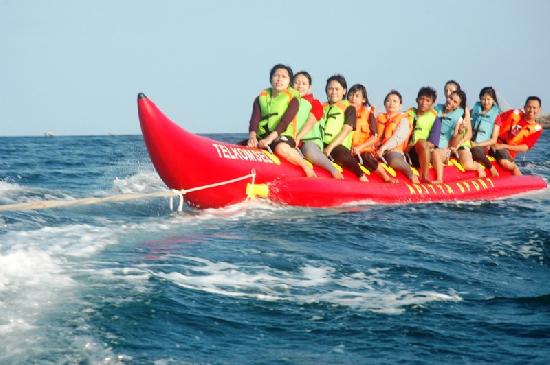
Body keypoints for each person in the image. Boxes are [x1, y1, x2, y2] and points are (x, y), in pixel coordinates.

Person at [246, 64, 316, 177]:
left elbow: (284, 122)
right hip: (262, 137)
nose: (279, 79)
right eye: (276, 75)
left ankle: (305, 166)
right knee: (242, 146)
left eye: (284, 77)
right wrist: (252, 137)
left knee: (280, 148)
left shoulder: (293, 99)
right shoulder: (260, 98)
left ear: (289, 82)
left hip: (283, 136)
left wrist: (269, 139)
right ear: (271, 79)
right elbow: (254, 120)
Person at [293, 71, 343, 179]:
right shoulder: (287, 102)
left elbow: (311, 122)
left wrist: (298, 137)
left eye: (304, 84)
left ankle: (332, 170)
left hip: (310, 142)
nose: (300, 86)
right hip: (292, 140)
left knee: (308, 148)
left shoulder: (316, 104)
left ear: (309, 87)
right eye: (297, 82)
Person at [321, 74, 368, 182]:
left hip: (338, 146)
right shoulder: (322, 106)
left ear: (344, 91)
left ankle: (360, 175)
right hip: (320, 142)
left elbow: (346, 130)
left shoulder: (349, 108)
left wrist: (330, 147)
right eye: (330, 89)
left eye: (337, 89)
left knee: (341, 155)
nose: (333, 92)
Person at [347, 84, 397, 183]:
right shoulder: (344, 112)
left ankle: (386, 177)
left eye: (357, 96)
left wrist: (359, 148)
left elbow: (374, 137)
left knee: (366, 158)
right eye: (351, 95)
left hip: (363, 149)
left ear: (364, 100)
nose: (353, 98)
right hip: (349, 148)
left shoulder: (369, 114)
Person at [492, 96, 543, 175]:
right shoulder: (513, 113)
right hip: (491, 142)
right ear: (524, 107)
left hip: (506, 152)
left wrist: (504, 146)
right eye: (529, 107)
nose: (531, 110)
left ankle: (516, 170)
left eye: (534, 108)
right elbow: (495, 120)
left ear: (539, 110)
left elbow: (525, 147)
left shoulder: (536, 129)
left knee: (504, 163)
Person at [377, 90, 419, 184]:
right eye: (388, 101)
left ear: (400, 105)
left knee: (393, 161)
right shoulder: (379, 118)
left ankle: (410, 172)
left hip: (393, 152)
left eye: (395, 101)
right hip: (377, 150)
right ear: (385, 104)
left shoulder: (403, 120)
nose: (391, 103)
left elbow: (397, 138)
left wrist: (384, 148)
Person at [430, 89, 472, 183]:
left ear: (458, 106)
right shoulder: (437, 109)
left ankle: (439, 179)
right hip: (430, 144)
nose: (450, 101)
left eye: (455, 102)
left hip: (444, 150)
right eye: (450, 98)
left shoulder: (459, 119)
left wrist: (461, 131)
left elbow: (453, 144)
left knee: (435, 152)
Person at [465, 87, 501, 177]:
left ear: (493, 101)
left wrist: (477, 144)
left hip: (482, 146)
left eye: (488, 99)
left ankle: (491, 168)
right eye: (483, 99)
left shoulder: (496, 117)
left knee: (475, 151)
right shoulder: (475, 111)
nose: (486, 102)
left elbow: (494, 140)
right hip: (468, 141)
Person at [406, 87, 438, 182]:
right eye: (421, 99)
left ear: (432, 103)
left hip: (422, 152)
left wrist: (418, 144)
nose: (424, 103)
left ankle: (425, 175)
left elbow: (433, 142)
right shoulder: (409, 113)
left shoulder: (434, 118)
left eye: (428, 100)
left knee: (422, 143)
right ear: (417, 100)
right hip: (405, 149)